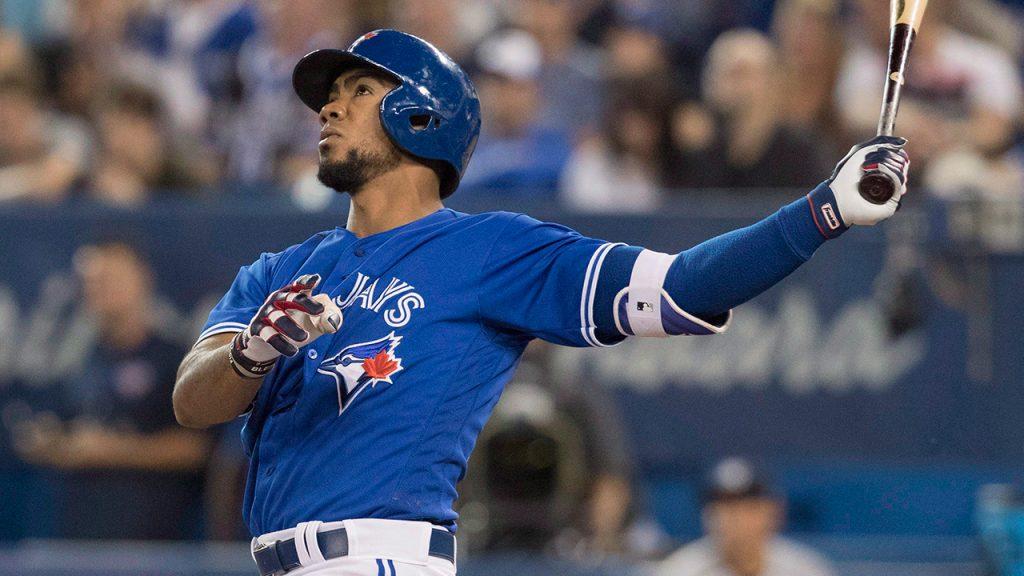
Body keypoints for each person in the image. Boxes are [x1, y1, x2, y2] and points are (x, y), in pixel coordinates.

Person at [172, 29, 910, 576]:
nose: (328, 109)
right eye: (330, 98)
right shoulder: (282, 269)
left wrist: (826, 209)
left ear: (421, 116)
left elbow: (680, 287)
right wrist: (251, 351)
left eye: (357, 92)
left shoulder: (492, 250)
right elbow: (193, 401)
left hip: (379, 558)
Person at [15, 239, 210, 539]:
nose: (102, 289)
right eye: (92, 281)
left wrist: (114, 450)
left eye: (113, 278)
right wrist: (54, 444)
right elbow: (59, 431)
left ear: (143, 278)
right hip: (77, 534)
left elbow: (196, 448)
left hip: (154, 538)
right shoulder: (77, 363)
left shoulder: (176, 358)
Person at [655, 458, 835, 576]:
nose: (736, 519)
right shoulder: (680, 570)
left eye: (748, 508)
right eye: (725, 508)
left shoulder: (805, 569)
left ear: (772, 512)